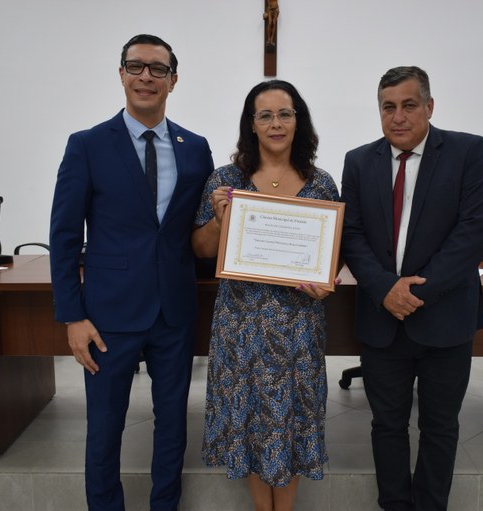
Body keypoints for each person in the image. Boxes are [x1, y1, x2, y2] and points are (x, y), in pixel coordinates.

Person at [49, 34, 214, 511]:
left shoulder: (195, 148)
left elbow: (202, 230)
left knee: (173, 426)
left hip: (174, 313)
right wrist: (72, 316)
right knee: (104, 427)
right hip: (108, 315)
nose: (146, 76)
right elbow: (64, 236)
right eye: (136, 66)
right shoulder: (87, 145)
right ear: (121, 74)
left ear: (173, 80)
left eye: (158, 69)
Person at [340, 66, 483, 511]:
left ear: (429, 106)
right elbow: (351, 234)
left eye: (409, 105)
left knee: (440, 427)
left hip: (445, 318)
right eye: (388, 107)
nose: (398, 117)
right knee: (386, 425)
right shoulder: (358, 161)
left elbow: (473, 232)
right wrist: (385, 289)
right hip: (382, 318)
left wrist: (412, 294)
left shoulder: (467, 151)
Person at [192, 79, 339, 511]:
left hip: (298, 329)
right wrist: (219, 220)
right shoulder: (226, 181)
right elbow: (200, 249)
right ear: (251, 124)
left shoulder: (321, 184)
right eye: (266, 115)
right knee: (251, 421)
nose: (276, 123)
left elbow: (334, 256)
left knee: (293, 420)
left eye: (285, 114)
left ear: (298, 121)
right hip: (242, 329)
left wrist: (326, 283)